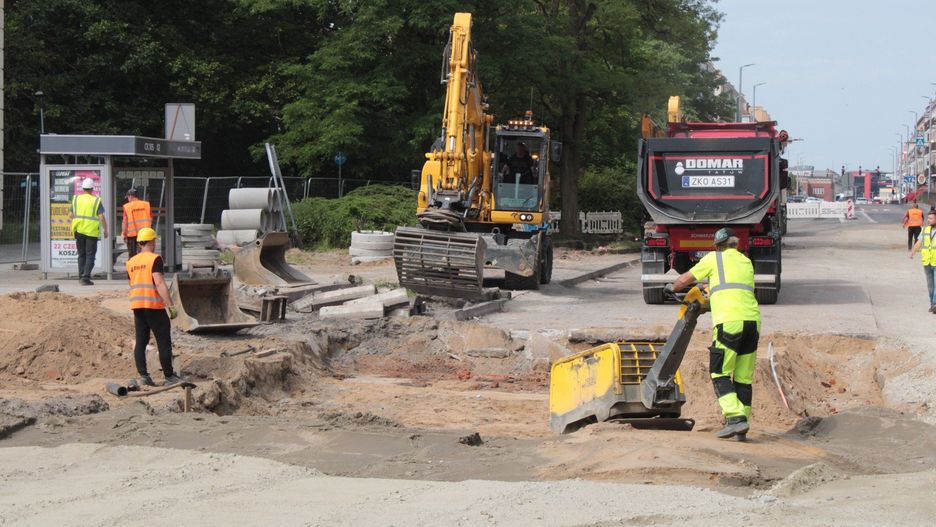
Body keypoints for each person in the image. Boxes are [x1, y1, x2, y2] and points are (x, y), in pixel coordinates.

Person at [669, 227, 761, 440]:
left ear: (717, 246)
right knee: (743, 377)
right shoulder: (745, 262)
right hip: (753, 322)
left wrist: (671, 288)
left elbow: (683, 281)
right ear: (735, 244)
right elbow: (731, 288)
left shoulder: (714, 259)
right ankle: (742, 425)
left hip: (729, 322)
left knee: (719, 372)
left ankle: (735, 418)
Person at [126, 227, 184, 386]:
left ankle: (144, 376)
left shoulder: (131, 262)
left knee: (141, 341)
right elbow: (159, 282)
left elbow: (132, 283)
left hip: (137, 306)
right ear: (151, 241)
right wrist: (170, 305)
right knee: (163, 340)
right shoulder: (154, 259)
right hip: (153, 306)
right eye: (154, 241)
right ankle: (169, 376)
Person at [70, 177, 108, 285]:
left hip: (78, 230)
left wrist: (78, 219)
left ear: (82, 188)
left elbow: (70, 214)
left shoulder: (76, 199)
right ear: (92, 188)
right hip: (91, 231)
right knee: (90, 255)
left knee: (81, 254)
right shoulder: (96, 200)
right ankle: (85, 278)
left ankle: (81, 275)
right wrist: (105, 230)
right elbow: (101, 217)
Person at [909, 211, 936, 313]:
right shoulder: (925, 230)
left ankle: (935, 304)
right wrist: (913, 252)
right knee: (930, 285)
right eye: (928, 218)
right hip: (927, 262)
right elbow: (919, 242)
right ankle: (932, 303)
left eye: (931, 218)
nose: (928, 220)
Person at [121, 188, 152, 258]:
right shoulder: (146, 205)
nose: (128, 199)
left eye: (128, 197)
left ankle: (134, 268)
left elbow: (124, 221)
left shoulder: (127, 207)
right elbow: (151, 218)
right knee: (144, 253)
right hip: (145, 234)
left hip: (132, 235)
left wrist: (124, 234)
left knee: (132, 255)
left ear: (130, 196)